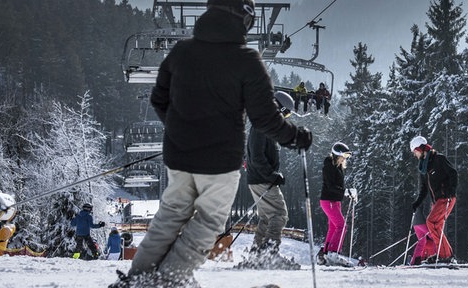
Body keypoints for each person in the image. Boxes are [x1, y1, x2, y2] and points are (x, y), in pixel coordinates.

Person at [112, 0, 313, 285]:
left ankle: (139, 277)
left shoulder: (182, 52)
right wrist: (296, 136)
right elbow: (265, 118)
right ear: (243, 18)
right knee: (208, 221)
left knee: (170, 216)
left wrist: (182, 129)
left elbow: (159, 98)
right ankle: (169, 279)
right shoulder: (246, 60)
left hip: (180, 156)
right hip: (218, 160)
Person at [236, 91, 300, 270]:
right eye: (286, 113)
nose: (285, 118)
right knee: (279, 214)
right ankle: (270, 254)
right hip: (263, 179)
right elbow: (256, 157)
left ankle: (257, 255)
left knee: (266, 217)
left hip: (259, 178)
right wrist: (272, 175)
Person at [409, 136, 458, 263]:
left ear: (421, 149)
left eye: (415, 151)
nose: (415, 155)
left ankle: (444, 255)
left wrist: (451, 190)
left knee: (432, 222)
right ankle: (446, 255)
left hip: (445, 198)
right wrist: (417, 202)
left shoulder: (438, 159)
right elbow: (424, 188)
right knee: (436, 226)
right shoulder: (424, 168)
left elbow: (453, 173)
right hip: (437, 201)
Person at [318, 142, 351, 265]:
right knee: (341, 226)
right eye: (345, 156)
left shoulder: (338, 166)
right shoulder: (329, 166)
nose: (345, 158)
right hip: (329, 200)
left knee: (333, 227)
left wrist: (346, 193)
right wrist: (345, 191)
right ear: (338, 154)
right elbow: (330, 186)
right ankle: (333, 252)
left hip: (335, 201)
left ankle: (325, 254)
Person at [408, 197, 433, 265]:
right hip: (423, 222)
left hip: (416, 224)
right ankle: (438, 258)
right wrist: (430, 222)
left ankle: (415, 261)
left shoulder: (421, 197)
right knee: (435, 238)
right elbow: (426, 211)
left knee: (422, 242)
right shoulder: (428, 197)